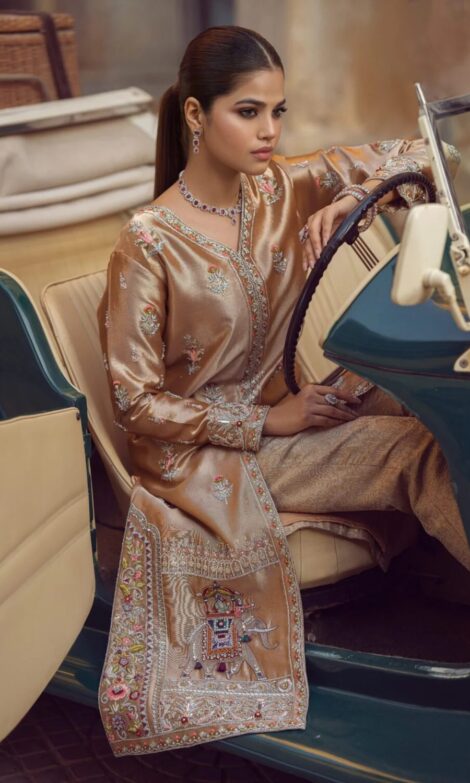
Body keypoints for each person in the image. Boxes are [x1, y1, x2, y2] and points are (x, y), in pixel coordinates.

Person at [97, 26, 469, 756]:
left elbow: (432, 157)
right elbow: (134, 403)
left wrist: (354, 196)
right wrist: (267, 421)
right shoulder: (147, 243)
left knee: (430, 397)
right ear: (197, 115)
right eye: (248, 112)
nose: (269, 130)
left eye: (278, 111)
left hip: (292, 409)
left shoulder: (281, 187)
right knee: (418, 453)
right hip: (211, 457)